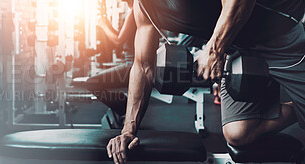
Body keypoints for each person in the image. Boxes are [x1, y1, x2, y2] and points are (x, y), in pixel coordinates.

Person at [106, 0, 305, 164]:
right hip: (237, 47)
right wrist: (128, 131)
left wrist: (214, 49)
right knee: (238, 133)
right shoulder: (144, 9)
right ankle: (299, 110)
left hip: (282, 39)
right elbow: (143, 66)